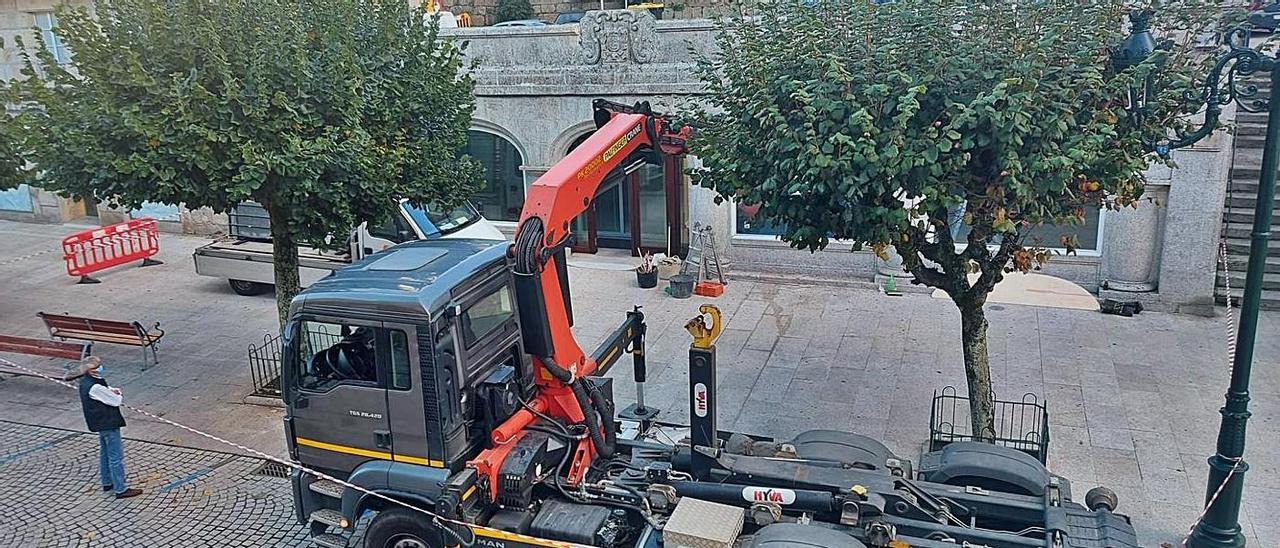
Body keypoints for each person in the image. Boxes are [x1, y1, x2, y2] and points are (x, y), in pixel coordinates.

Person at [77, 356, 142, 499]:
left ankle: (107, 481)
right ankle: (120, 488)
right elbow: (115, 401)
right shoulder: (95, 387)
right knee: (115, 456)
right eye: (98, 366)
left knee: (105, 453)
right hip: (108, 422)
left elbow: (104, 391)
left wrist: (110, 390)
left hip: (99, 422)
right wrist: (118, 394)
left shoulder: (85, 383)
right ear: (91, 370)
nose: (101, 368)